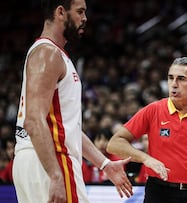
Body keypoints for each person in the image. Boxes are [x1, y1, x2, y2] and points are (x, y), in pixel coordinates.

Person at [12, 1, 133, 202]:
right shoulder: (48, 53)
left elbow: (69, 129)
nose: (84, 18)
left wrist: (104, 164)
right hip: (53, 159)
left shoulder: (49, 53)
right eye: (80, 12)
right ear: (60, 12)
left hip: (35, 159)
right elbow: (33, 121)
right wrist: (55, 174)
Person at [107, 57, 187, 203]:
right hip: (159, 193)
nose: (174, 84)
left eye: (181, 79)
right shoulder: (153, 110)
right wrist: (146, 158)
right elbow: (114, 143)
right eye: (170, 78)